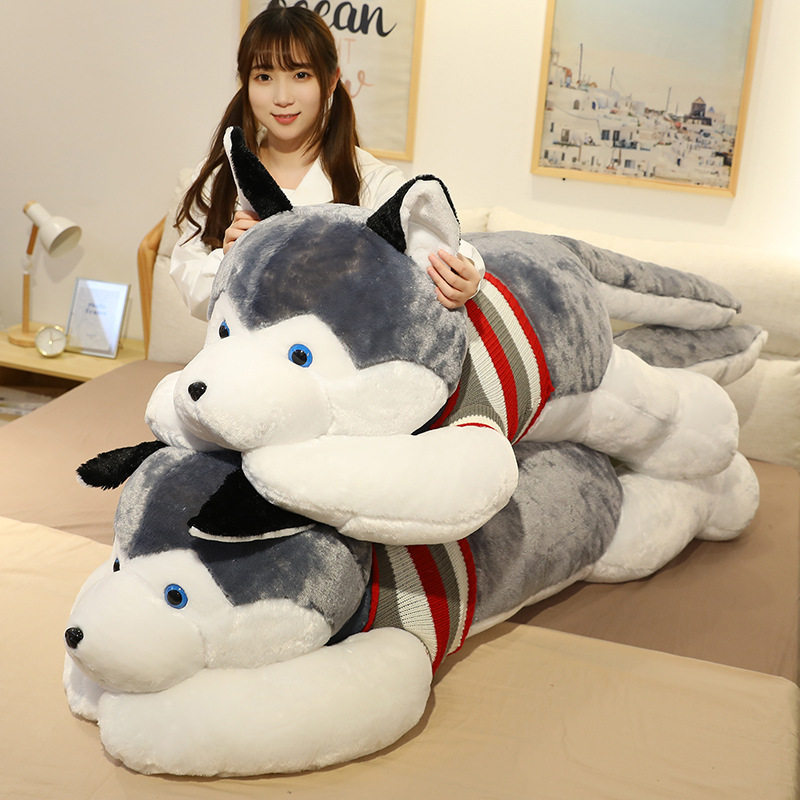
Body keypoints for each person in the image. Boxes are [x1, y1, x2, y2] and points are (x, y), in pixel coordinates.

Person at [171, 3, 483, 321]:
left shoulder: (371, 179)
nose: (282, 97)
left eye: (300, 75)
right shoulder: (218, 178)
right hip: (236, 350)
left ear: (332, 80)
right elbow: (192, 289)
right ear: (244, 82)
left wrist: (466, 275)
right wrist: (232, 259)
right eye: (264, 76)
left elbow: (444, 246)